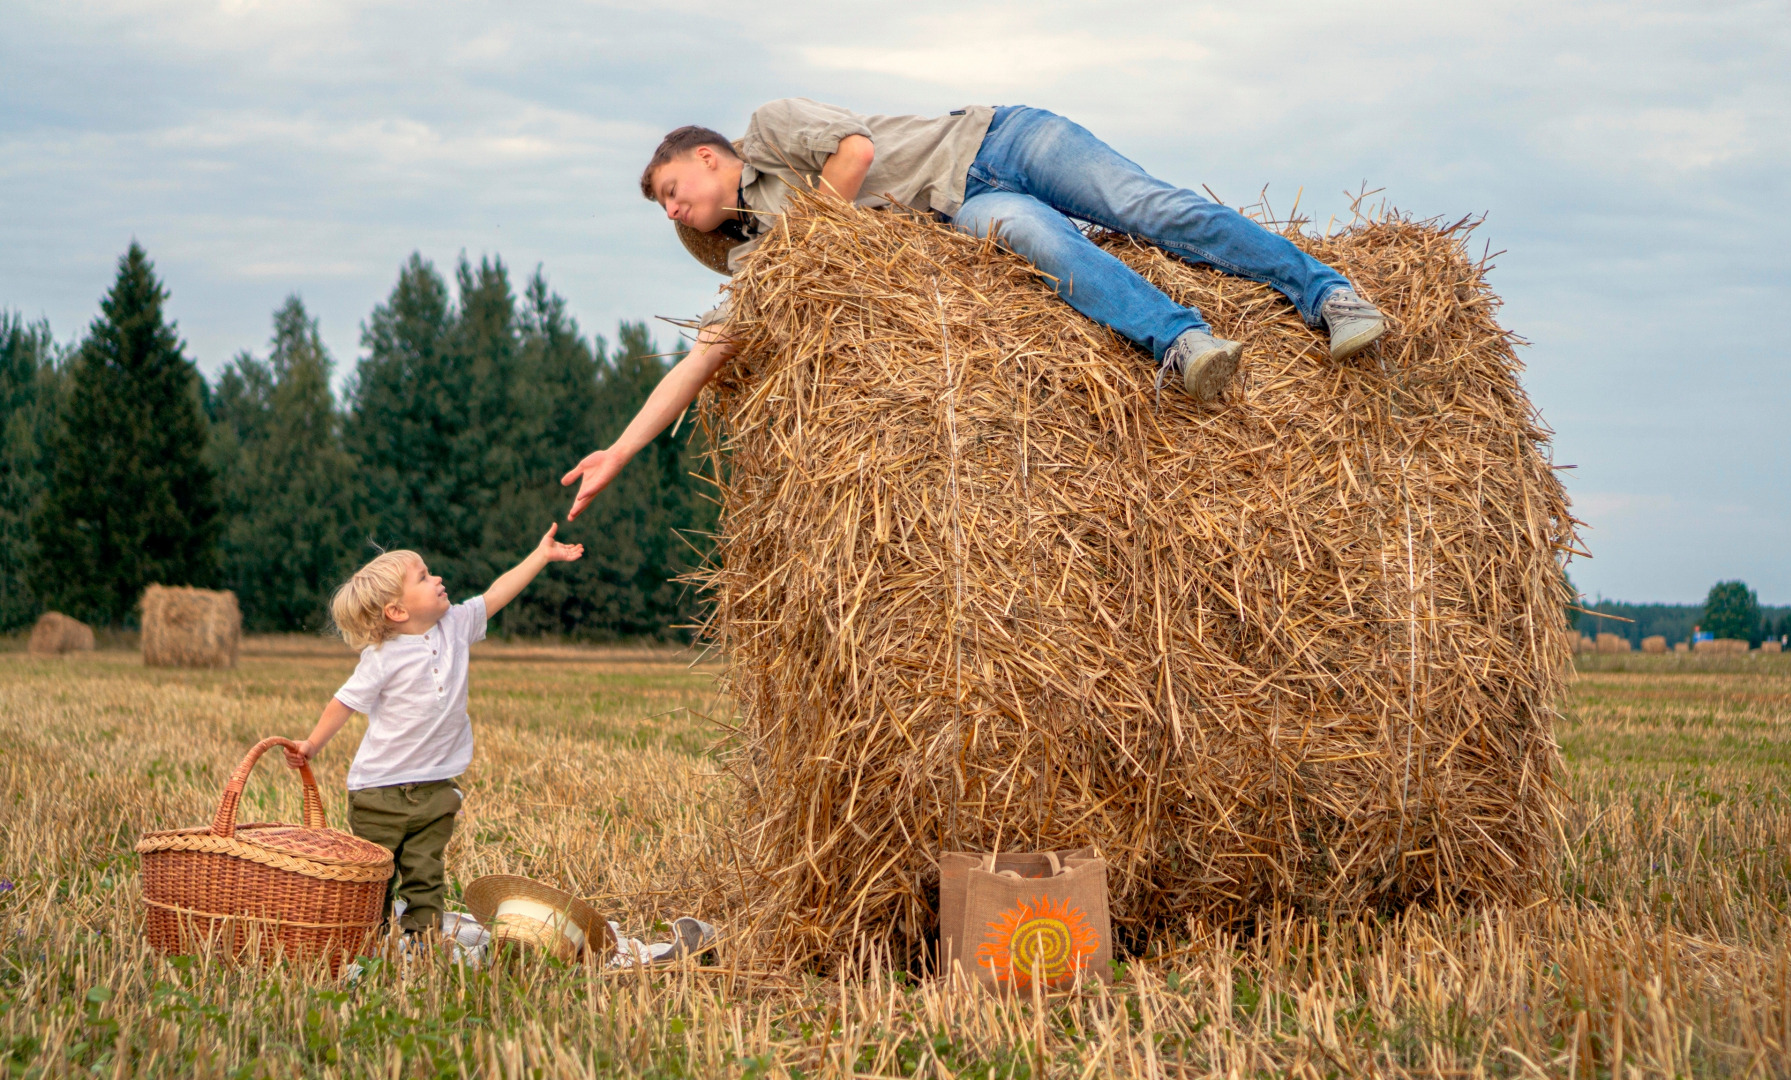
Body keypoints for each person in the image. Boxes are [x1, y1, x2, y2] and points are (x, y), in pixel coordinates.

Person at [561, 99, 1386, 522]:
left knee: (1153, 209)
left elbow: (856, 152)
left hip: (998, 140)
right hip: (966, 209)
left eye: (672, 191)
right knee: (1053, 253)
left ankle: (1326, 292)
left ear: (707, 159)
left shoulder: (769, 134)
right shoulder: (755, 255)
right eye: (663, 208)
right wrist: (619, 451)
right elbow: (711, 348)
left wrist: (807, 232)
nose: (671, 210)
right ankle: (1185, 342)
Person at [287, 525, 584, 938]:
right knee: (376, 879)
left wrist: (541, 555)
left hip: (435, 790)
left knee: (427, 875)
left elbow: (497, 594)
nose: (438, 578)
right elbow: (344, 703)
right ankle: (367, 945)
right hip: (378, 793)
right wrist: (312, 743)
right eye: (424, 577)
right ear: (397, 611)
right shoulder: (381, 658)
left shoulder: (456, 626)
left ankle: (420, 943)